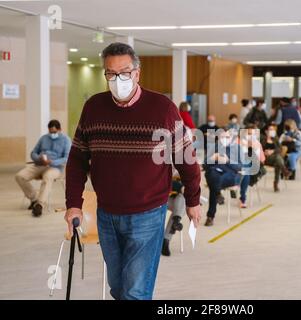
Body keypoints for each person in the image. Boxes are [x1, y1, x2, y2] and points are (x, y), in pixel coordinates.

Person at [64, 42, 201, 300]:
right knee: (118, 289)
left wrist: (193, 199)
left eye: (124, 72)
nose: (118, 79)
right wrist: (74, 204)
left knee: (136, 292)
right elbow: (77, 160)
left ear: (137, 73)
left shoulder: (162, 108)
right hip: (107, 214)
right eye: (111, 74)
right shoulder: (93, 107)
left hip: (147, 214)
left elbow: (186, 158)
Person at [15, 120, 71, 217]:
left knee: (48, 176)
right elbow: (33, 153)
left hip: (56, 167)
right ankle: (34, 199)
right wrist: (38, 158)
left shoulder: (66, 140)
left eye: (54, 132)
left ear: (59, 129)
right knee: (20, 176)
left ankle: (40, 205)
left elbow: (66, 158)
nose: (52, 134)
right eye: (51, 132)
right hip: (39, 165)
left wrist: (52, 162)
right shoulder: (44, 138)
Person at [204, 130, 243, 226]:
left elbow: (239, 167)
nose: (224, 139)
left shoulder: (237, 148)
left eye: (227, 137)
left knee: (213, 184)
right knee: (211, 174)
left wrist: (228, 160)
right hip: (216, 171)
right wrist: (213, 158)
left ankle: (210, 216)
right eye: (222, 137)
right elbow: (205, 165)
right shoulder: (214, 147)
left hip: (230, 174)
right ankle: (218, 194)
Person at [239, 125, 265, 206]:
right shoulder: (240, 142)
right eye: (248, 133)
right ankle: (242, 198)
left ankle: (242, 197)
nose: (250, 136)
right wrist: (245, 147)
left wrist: (254, 149)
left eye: (252, 134)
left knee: (245, 170)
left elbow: (262, 160)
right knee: (245, 169)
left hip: (254, 166)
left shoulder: (257, 144)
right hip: (241, 165)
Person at [162, 174, 185, 257]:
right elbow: (164, 181)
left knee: (183, 199)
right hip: (159, 199)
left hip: (175, 201)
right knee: (180, 209)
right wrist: (180, 186)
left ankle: (166, 241)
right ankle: (166, 240)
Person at [261, 124, 290, 192]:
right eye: (270, 129)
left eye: (273, 130)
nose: (272, 131)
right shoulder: (262, 138)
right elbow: (258, 148)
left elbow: (280, 149)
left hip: (275, 158)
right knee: (278, 159)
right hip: (265, 158)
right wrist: (265, 152)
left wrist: (272, 151)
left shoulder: (275, 138)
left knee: (278, 162)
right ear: (266, 131)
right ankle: (285, 171)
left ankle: (276, 184)